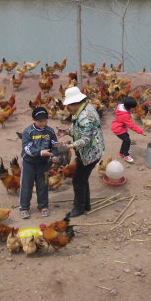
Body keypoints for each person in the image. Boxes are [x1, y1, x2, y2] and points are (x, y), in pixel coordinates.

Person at [57, 86, 105, 218]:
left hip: (90, 153)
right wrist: (67, 132)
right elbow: (79, 129)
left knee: (78, 180)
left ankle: (79, 208)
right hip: (91, 151)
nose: (68, 108)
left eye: (69, 105)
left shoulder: (85, 116)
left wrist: (70, 145)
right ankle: (85, 205)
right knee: (83, 179)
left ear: (74, 103)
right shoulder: (85, 108)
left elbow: (86, 139)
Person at [19, 107, 58, 219]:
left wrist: (54, 155)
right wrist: (41, 152)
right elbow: (27, 148)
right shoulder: (28, 132)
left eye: (45, 120)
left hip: (44, 164)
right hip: (29, 164)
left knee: (44, 184)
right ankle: (24, 207)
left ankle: (43, 206)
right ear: (33, 120)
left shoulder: (50, 131)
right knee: (27, 185)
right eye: (40, 121)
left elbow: (54, 145)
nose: (43, 123)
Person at [111, 96, 145, 163]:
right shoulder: (124, 115)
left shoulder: (121, 107)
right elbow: (131, 125)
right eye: (132, 108)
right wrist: (140, 131)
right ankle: (126, 155)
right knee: (127, 140)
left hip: (119, 127)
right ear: (129, 108)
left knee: (126, 139)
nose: (133, 110)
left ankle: (121, 153)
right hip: (118, 129)